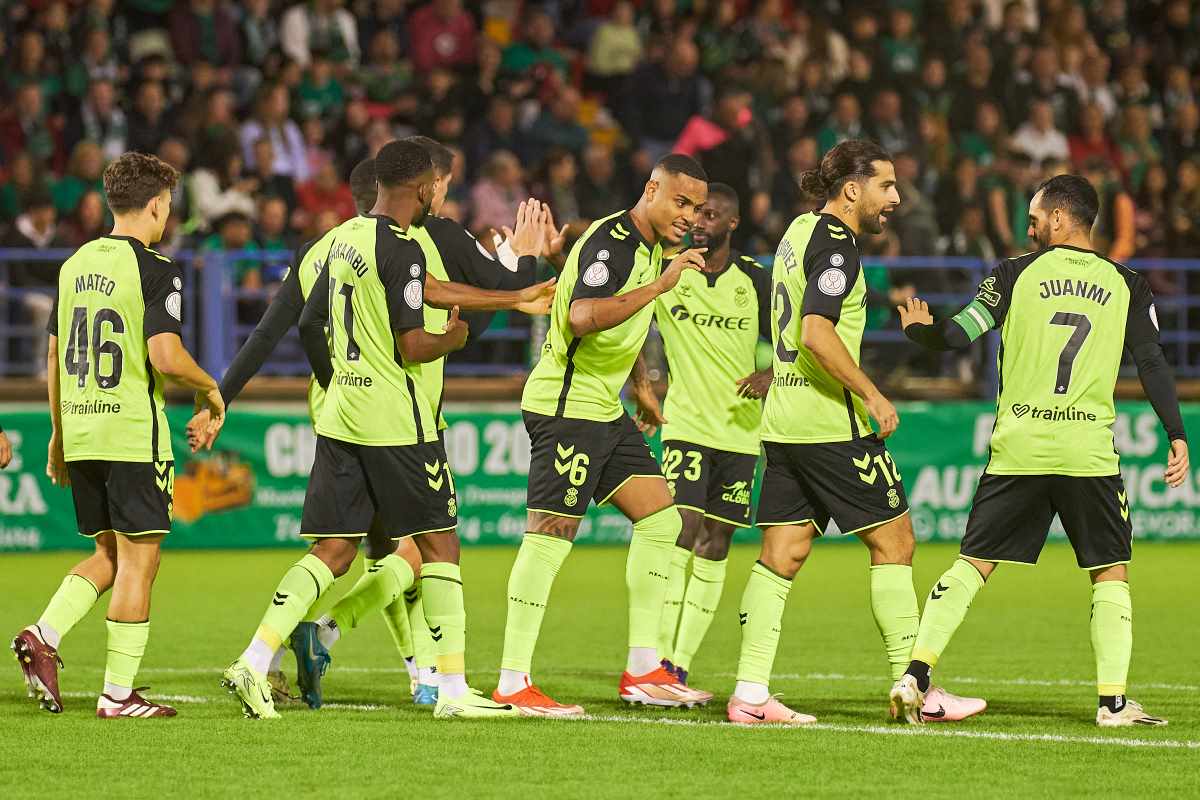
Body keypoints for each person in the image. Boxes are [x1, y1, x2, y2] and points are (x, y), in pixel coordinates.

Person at [216, 141, 547, 720]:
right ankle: (450, 689)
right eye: (437, 185)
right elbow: (414, 342)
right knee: (439, 544)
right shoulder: (406, 245)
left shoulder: (339, 240)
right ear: (422, 189)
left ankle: (255, 657)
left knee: (335, 549)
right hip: (398, 421)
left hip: (341, 416)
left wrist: (516, 297)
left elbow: (324, 315)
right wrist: (453, 338)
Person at [893, 175, 1188, 727]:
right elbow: (1151, 362)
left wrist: (920, 332)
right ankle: (1113, 704)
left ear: (1057, 217)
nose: (1028, 230)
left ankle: (914, 676)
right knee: (1109, 572)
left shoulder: (1014, 273)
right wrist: (1176, 433)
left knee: (973, 563)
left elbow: (958, 334)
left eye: (1033, 220)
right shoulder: (1127, 283)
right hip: (1087, 453)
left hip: (1019, 448)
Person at [727, 139, 985, 725]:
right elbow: (815, 332)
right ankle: (916, 689)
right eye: (885, 186)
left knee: (782, 554)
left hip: (785, 421)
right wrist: (872, 393)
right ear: (851, 189)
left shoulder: (797, 232)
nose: (895, 198)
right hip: (830, 422)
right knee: (895, 543)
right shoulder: (838, 245)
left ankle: (750, 694)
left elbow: (792, 327)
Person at [494, 154, 711, 716]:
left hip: (601, 408)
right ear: (651, 189)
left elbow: (622, 322)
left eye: (696, 208)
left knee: (661, 520)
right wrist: (662, 285)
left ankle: (643, 669)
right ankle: (512, 680)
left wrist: (640, 385)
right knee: (550, 535)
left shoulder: (646, 246)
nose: (689, 216)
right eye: (680, 202)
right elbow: (583, 316)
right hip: (566, 408)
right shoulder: (616, 242)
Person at [12, 152, 224, 718]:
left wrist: (58, 435)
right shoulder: (156, 268)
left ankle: (42, 635)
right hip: (132, 434)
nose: (167, 216)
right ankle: (117, 694)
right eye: (168, 206)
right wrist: (211, 387)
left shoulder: (74, 264)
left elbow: (54, 355)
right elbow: (166, 356)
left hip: (82, 428)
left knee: (108, 552)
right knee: (139, 562)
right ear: (154, 205)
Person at [638, 183, 772, 688]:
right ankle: (656, 658)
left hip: (740, 432)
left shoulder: (755, 280)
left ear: (732, 223)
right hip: (686, 425)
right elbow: (627, 319)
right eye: (696, 213)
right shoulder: (669, 271)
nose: (699, 222)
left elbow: (797, 335)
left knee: (716, 543)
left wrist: (773, 373)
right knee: (682, 529)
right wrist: (642, 386)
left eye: (711, 215)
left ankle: (680, 662)